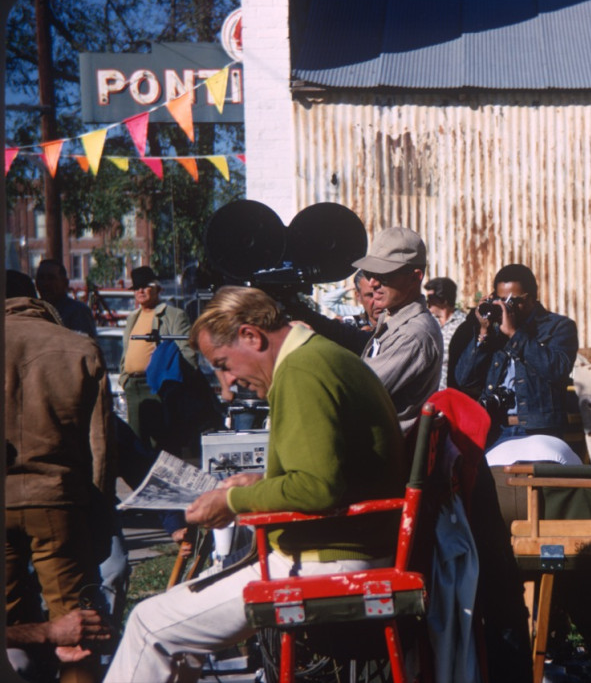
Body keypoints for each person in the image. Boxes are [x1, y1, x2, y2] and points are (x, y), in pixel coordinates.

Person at [104, 286, 406, 681]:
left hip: (329, 559)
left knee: (147, 624)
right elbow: (333, 471)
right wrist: (261, 481)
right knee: (170, 626)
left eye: (225, 363)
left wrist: (234, 500)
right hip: (350, 547)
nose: (229, 380)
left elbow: (317, 487)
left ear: (251, 336)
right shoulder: (323, 357)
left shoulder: (301, 370)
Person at [5, 287, 117, 683]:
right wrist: (99, 517)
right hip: (58, 501)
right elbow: (100, 447)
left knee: (12, 624)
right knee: (78, 630)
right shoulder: (77, 347)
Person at [455, 263, 579, 448]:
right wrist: (483, 332)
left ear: (529, 299)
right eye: (499, 299)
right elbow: (464, 379)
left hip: (538, 430)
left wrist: (515, 334)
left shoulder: (559, 327)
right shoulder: (494, 331)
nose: (504, 307)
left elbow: (557, 370)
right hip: (495, 428)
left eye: (511, 301)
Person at [352, 227, 443, 432]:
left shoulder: (413, 334)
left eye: (384, 276)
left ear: (415, 277)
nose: (373, 283)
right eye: (371, 273)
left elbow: (357, 394)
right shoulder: (392, 316)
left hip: (386, 455)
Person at [119, 266, 197, 450]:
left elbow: (188, 354)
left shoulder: (173, 315)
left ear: (157, 288)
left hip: (157, 388)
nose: (140, 291)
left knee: (160, 446)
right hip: (133, 388)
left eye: (145, 286)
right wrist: (124, 379)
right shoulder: (132, 317)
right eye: (136, 288)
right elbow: (126, 350)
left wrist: (178, 390)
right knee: (136, 444)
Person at [35, 259, 98, 339]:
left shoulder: (77, 312)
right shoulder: (34, 310)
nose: (45, 283)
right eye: (41, 278)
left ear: (65, 283)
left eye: (51, 278)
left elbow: (84, 346)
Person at [425, 276, 467, 389]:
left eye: (430, 297)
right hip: (429, 392)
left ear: (443, 300)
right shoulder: (428, 322)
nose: (427, 301)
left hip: (453, 390)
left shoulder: (463, 324)